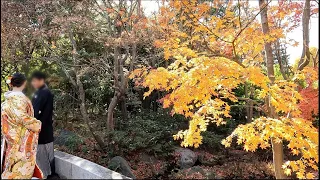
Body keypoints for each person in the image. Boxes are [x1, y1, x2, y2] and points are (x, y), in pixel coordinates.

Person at [1, 73, 43, 179]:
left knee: (12, 163)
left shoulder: (8, 99)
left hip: (11, 135)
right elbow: (22, 117)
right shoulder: (19, 99)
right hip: (21, 139)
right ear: (24, 83)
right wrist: (37, 124)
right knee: (20, 167)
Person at [30, 71, 55, 179]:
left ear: (41, 80)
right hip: (46, 129)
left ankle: (46, 175)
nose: (33, 83)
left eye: (35, 81)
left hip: (41, 129)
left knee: (42, 155)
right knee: (48, 154)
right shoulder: (43, 91)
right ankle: (51, 174)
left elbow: (35, 112)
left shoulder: (42, 93)